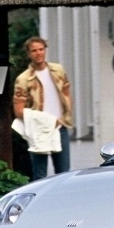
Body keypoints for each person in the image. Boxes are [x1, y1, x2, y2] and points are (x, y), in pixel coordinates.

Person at [13, 36, 73, 180]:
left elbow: (66, 94)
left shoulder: (58, 70)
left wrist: (65, 116)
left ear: (45, 50)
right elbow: (19, 110)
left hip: (60, 127)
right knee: (40, 174)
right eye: (34, 50)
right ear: (28, 54)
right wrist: (47, 120)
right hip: (38, 130)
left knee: (64, 172)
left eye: (41, 49)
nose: (38, 53)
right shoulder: (23, 79)